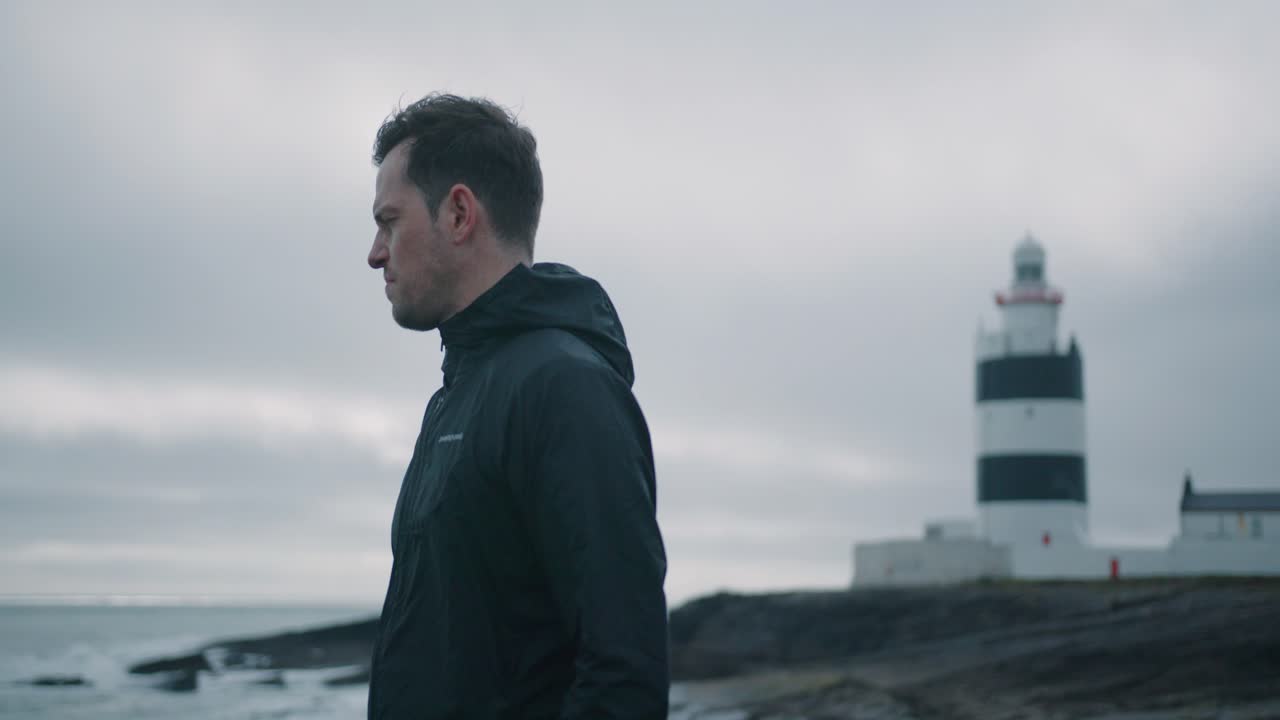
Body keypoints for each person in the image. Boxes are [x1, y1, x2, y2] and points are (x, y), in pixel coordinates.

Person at [364, 93, 670, 719]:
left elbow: (623, 676)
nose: (375, 251)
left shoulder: (564, 389)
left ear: (457, 213)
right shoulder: (458, 399)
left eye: (390, 221)